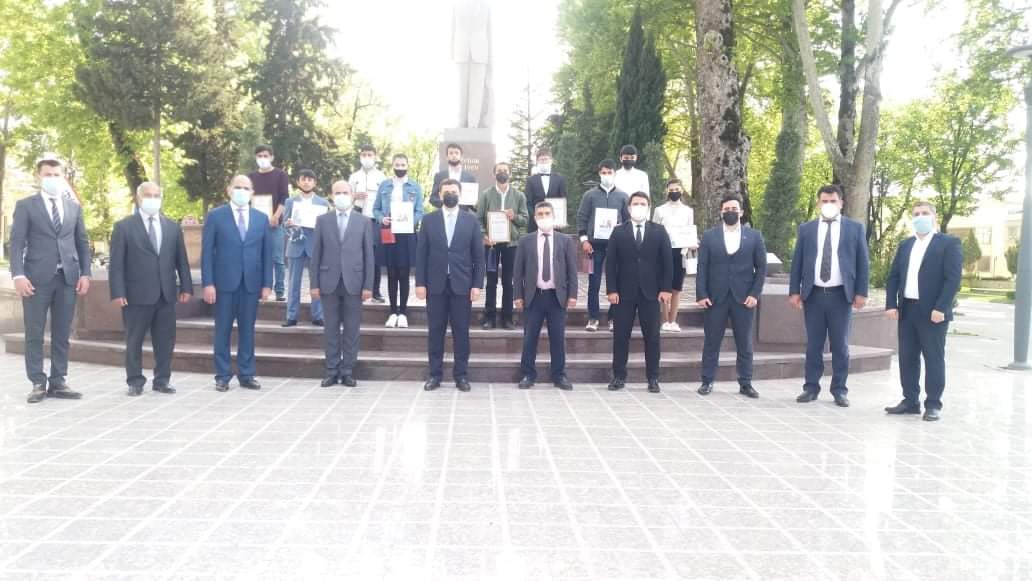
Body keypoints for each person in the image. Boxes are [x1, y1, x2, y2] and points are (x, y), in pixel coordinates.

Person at [9, 158, 92, 404]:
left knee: (62, 332)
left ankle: (58, 381)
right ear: (38, 177)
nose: (53, 178)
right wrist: (18, 275)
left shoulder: (73, 207)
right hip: (35, 280)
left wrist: (85, 273)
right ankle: (37, 381)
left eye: (56, 174)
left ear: (62, 177)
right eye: (48, 174)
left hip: (67, 279)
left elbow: (82, 242)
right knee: (34, 332)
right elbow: (16, 243)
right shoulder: (26, 206)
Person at [108, 182, 193, 397]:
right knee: (134, 339)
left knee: (165, 341)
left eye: (156, 195)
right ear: (139, 198)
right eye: (148, 195)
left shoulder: (172, 227)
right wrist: (118, 292)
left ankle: (162, 380)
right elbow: (116, 263)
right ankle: (135, 381)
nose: (152, 199)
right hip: (136, 295)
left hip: (166, 294)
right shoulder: (124, 227)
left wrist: (186, 286)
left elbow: (181, 260)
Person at [789, 184, 870, 407]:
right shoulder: (806, 229)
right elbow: (797, 262)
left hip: (840, 296)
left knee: (840, 345)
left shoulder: (855, 228)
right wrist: (794, 290)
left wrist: (861, 292)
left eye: (833, 201)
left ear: (841, 203)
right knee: (813, 345)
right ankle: (810, 387)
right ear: (818, 203)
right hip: (813, 294)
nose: (828, 204)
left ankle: (839, 390)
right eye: (824, 201)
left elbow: (863, 262)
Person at [884, 201, 962, 422]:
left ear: (934, 216)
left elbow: (953, 279)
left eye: (925, 213)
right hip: (907, 310)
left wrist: (941, 307)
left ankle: (933, 404)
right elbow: (894, 277)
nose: (920, 217)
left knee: (933, 358)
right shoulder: (906, 245)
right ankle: (910, 401)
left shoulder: (948, 243)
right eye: (916, 214)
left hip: (933, 313)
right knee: (907, 358)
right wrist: (891, 304)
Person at [201, 175, 274, 392]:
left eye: (246, 188)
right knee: (222, 330)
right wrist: (208, 283)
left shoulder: (261, 218)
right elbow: (207, 252)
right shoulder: (216, 216)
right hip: (223, 284)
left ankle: (246, 374)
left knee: (247, 330)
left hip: (251, 284)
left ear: (252, 193)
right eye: (238, 187)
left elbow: (267, 254)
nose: (242, 191)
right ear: (229, 190)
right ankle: (222, 375)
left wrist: (267, 284)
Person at [416, 178, 486, 392]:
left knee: (461, 332)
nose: (450, 195)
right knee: (435, 331)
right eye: (446, 192)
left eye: (454, 191)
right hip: (435, 285)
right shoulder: (428, 220)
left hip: (462, 285)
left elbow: (479, 257)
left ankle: (461, 375)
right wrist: (420, 283)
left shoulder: (471, 221)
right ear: (439, 194)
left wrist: (477, 285)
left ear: (460, 194)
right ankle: (434, 375)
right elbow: (421, 254)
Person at [696, 194, 767, 398]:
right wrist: (702, 294)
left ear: (741, 212)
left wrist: (755, 293)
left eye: (734, 209)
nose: (730, 212)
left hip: (743, 298)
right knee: (711, 342)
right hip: (715, 298)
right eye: (726, 209)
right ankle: (707, 381)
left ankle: (745, 383)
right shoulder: (709, 236)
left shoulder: (754, 236)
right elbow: (702, 267)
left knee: (744, 343)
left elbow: (761, 268)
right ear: (721, 212)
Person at [606, 192, 672, 393]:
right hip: (623, 293)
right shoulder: (618, 231)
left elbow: (667, 262)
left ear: (649, 207)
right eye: (635, 203)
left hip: (651, 293)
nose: (639, 207)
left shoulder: (659, 231)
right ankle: (619, 376)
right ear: (628, 208)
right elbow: (611, 263)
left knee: (652, 337)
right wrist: (611, 289)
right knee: (620, 336)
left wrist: (666, 289)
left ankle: (653, 378)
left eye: (643, 204)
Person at [310, 181, 375, 388]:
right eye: (337, 192)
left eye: (345, 192)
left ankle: (347, 371)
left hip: (354, 283)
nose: (341, 196)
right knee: (330, 328)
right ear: (331, 195)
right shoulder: (322, 220)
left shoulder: (364, 221)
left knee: (351, 329)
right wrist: (314, 284)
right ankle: (331, 370)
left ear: (352, 195)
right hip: (328, 282)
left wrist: (368, 285)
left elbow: (369, 256)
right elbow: (316, 254)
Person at [513, 202, 578, 390]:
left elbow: (572, 270)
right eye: (540, 214)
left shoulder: (565, 240)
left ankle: (559, 375)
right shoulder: (525, 241)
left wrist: (572, 294)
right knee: (530, 338)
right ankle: (527, 374)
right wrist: (518, 295)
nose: (543, 217)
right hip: (533, 297)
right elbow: (517, 272)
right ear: (535, 218)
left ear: (553, 216)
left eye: (547, 213)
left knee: (557, 338)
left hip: (557, 297)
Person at [576, 159, 630, 332]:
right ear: (599, 173)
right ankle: (593, 318)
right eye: (603, 172)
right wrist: (584, 240)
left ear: (614, 173)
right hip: (595, 246)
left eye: (609, 172)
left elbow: (628, 221)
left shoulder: (623, 196)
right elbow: (582, 218)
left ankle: (614, 317)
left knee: (616, 282)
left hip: (616, 246)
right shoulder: (589, 195)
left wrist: (624, 236)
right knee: (594, 282)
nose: (606, 175)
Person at [373, 154, 424, 329]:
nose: (400, 167)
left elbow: (419, 211)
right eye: (397, 164)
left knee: (404, 273)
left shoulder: (415, 187)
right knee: (391, 273)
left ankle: (403, 313)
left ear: (407, 166)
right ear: (392, 165)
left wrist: (410, 221)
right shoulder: (385, 185)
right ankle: (392, 312)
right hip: (388, 232)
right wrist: (382, 219)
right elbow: (376, 209)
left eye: (403, 164)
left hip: (406, 233)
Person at [477, 162, 528, 329]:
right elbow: (478, 219)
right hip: (491, 245)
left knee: (509, 281)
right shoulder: (486, 195)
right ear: (494, 174)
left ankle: (507, 317)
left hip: (511, 244)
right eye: (499, 170)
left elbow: (525, 220)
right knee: (491, 281)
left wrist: (514, 217)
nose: (502, 173)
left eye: (505, 170)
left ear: (510, 174)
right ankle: (489, 317)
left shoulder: (519, 195)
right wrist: (484, 235)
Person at [281, 169, 328, 327]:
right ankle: (291, 316)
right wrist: (288, 225)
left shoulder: (323, 203)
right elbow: (284, 225)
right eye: (303, 179)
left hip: (315, 246)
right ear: (298, 182)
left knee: (317, 282)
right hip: (296, 245)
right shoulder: (290, 202)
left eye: (310, 179)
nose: (306, 182)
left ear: (315, 183)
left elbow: (326, 227)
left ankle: (318, 315)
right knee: (293, 283)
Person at [652, 178, 697, 332]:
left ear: (681, 190)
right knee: (664, 286)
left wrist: (692, 242)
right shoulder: (659, 210)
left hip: (680, 252)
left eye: (677, 189)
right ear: (667, 191)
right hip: (663, 252)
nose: (674, 192)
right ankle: (664, 321)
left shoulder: (688, 211)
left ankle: (673, 321)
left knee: (677, 288)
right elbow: (654, 230)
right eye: (671, 190)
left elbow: (690, 230)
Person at [248, 144, 289, 301]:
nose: (262, 159)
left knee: (277, 259)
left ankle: (279, 291)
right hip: (255, 224)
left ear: (271, 157)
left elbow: (284, 197)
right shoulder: (251, 177)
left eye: (265, 156)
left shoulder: (280, 175)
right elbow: (248, 199)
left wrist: (276, 216)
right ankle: (260, 289)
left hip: (274, 223)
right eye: (259, 156)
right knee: (257, 258)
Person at [348, 143, 388, 303]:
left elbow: (386, 200)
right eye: (364, 155)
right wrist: (354, 196)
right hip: (357, 218)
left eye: (369, 155)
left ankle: (375, 291)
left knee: (374, 256)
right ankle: (356, 289)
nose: (366, 158)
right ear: (360, 156)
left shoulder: (381, 177)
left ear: (375, 157)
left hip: (374, 220)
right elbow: (345, 197)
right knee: (357, 254)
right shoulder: (354, 177)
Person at [525, 148, 568, 233]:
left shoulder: (560, 179)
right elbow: (528, 203)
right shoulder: (530, 180)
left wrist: (561, 219)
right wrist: (537, 217)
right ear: (537, 162)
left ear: (551, 161)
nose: (544, 162)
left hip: (555, 224)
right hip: (535, 225)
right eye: (541, 160)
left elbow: (564, 200)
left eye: (546, 159)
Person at [430, 143, 476, 210]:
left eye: (456, 153)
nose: (454, 155)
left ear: (461, 156)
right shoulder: (439, 176)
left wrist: (476, 205)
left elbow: (472, 204)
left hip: (463, 214)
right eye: (451, 153)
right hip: (444, 214)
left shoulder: (470, 177)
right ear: (447, 157)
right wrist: (446, 204)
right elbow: (433, 198)